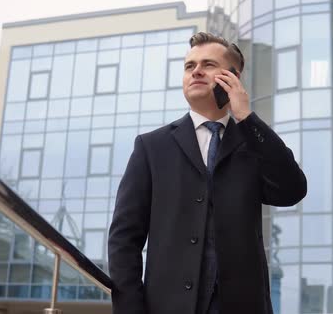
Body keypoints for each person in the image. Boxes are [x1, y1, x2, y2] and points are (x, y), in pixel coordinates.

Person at [108, 32, 307, 314]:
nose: (196, 71)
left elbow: (292, 190)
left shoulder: (252, 142)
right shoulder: (151, 147)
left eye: (208, 64)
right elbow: (124, 238)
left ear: (232, 78)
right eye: (190, 66)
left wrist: (247, 118)